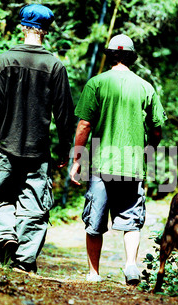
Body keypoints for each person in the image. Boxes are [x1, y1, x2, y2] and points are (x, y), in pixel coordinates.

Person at [0, 3, 75, 273]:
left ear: (23, 26)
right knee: (34, 205)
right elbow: (64, 114)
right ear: (46, 31)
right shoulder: (55, 66)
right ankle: (23, 261)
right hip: (38, 151)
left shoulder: (5, 61)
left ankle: (4, 236)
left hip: (6, 148)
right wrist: (63, 150)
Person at [70, 34, 166, 285]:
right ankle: (131, 266)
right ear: (132, 57)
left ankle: (94, 273)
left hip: (102, 164)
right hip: (133, 164)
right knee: (131, 220)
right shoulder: (145, 87)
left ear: (110, 55)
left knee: (95, 220)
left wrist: (77, 160)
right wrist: (149, 149)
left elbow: (84, 125)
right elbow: (156, 129)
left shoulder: (96, 83)